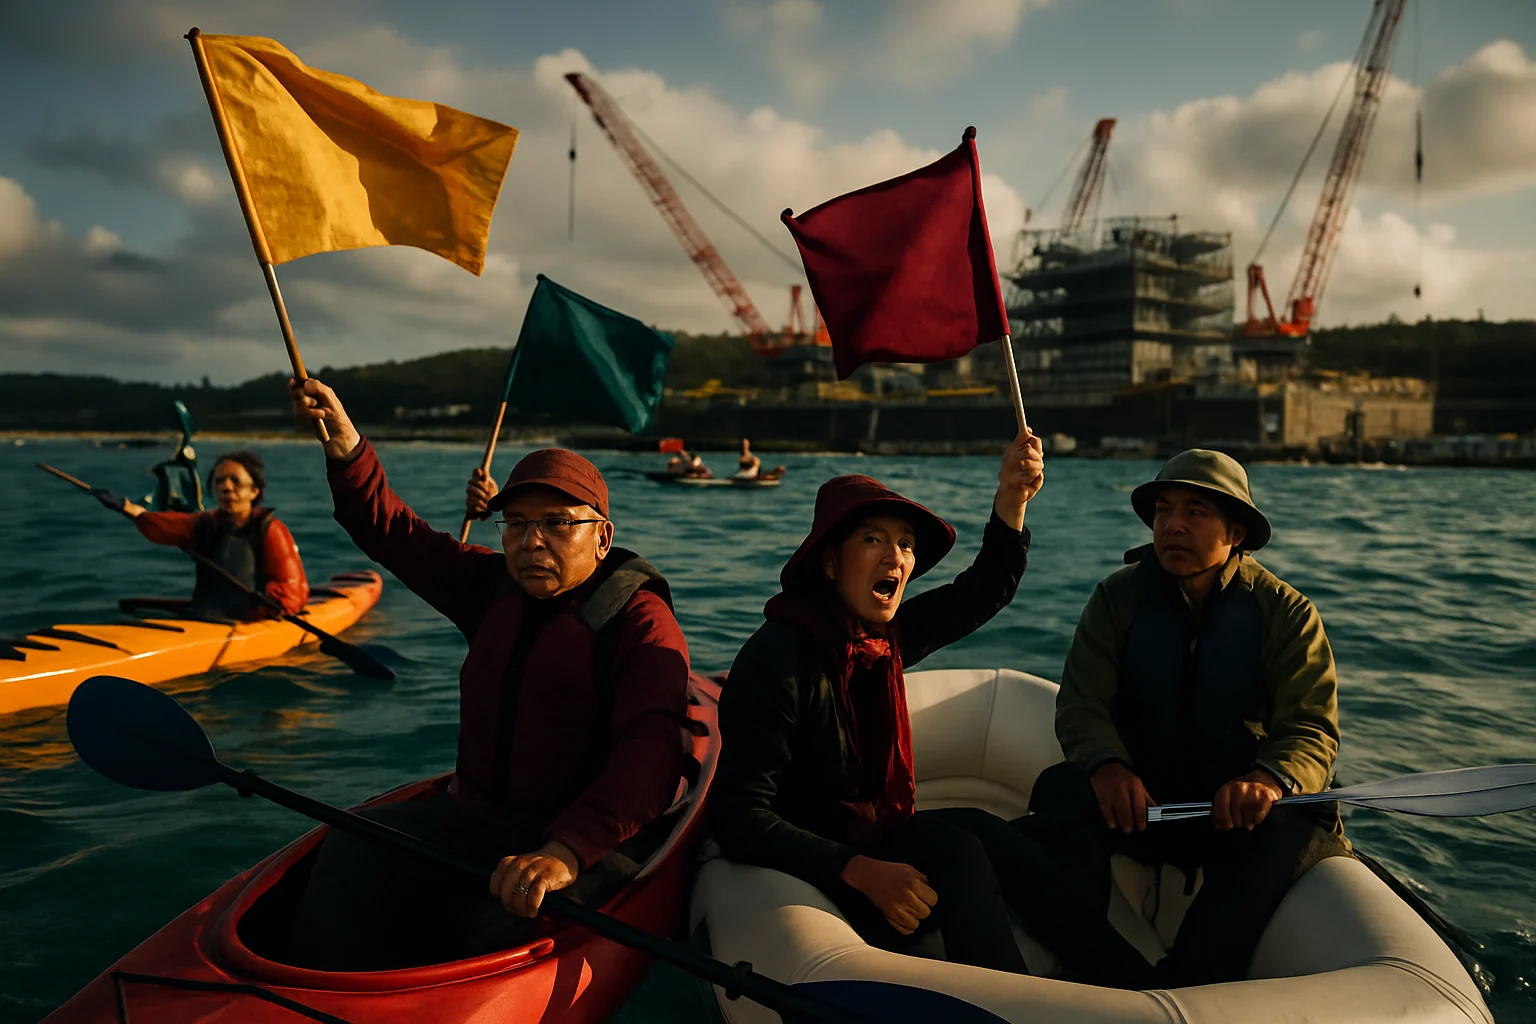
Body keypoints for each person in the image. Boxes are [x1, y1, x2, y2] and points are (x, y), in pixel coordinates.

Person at [283, 377, 692, 971]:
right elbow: (393, 533)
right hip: (473, 821)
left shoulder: (640, 621)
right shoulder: (489, 586)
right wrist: (345, 443)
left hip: (587, 839)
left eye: (557, 523)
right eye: (517, 524)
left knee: (496, 925)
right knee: (352, 846)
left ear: (602, 537)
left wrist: (566, 851)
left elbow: (653, 751)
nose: (532, 541)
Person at [712, 431, 1100, 977]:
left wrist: (1011, 502)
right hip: (812, 870)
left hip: (874, 835)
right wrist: (858, 870)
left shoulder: (880, 639)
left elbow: (982, 590)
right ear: (829, 561)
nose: (896, 557)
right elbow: (738, 816)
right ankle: (1007, 1001)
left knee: (984, 830)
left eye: (906, 544)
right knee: (959, 852)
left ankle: (1130, 981)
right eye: (873, 539)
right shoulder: (777, 661)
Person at [1026, 449, 1348, 987]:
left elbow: (1312, 728)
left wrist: (1267, 780)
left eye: (1195, 512)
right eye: (1163, 512)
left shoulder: (1286, 613)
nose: (1172, 525)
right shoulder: (1116, 598)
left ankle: (1189, 980)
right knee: (1061, 792)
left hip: (1232, 815)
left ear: (1236, 532)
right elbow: (1082, 704)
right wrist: (1107, 766)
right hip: (1145, 805)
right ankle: (1084, 960)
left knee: (1295, 825)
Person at [93, 449, 308, 621]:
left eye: (235, 481)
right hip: (205, 616)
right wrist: (126, 507)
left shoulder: (270, 529)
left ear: (255, 491)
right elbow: (158, 525)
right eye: (219, 481)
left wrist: (266, 606)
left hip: (250, 621)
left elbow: (294, 591)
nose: (226, 487)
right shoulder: (204, 523)